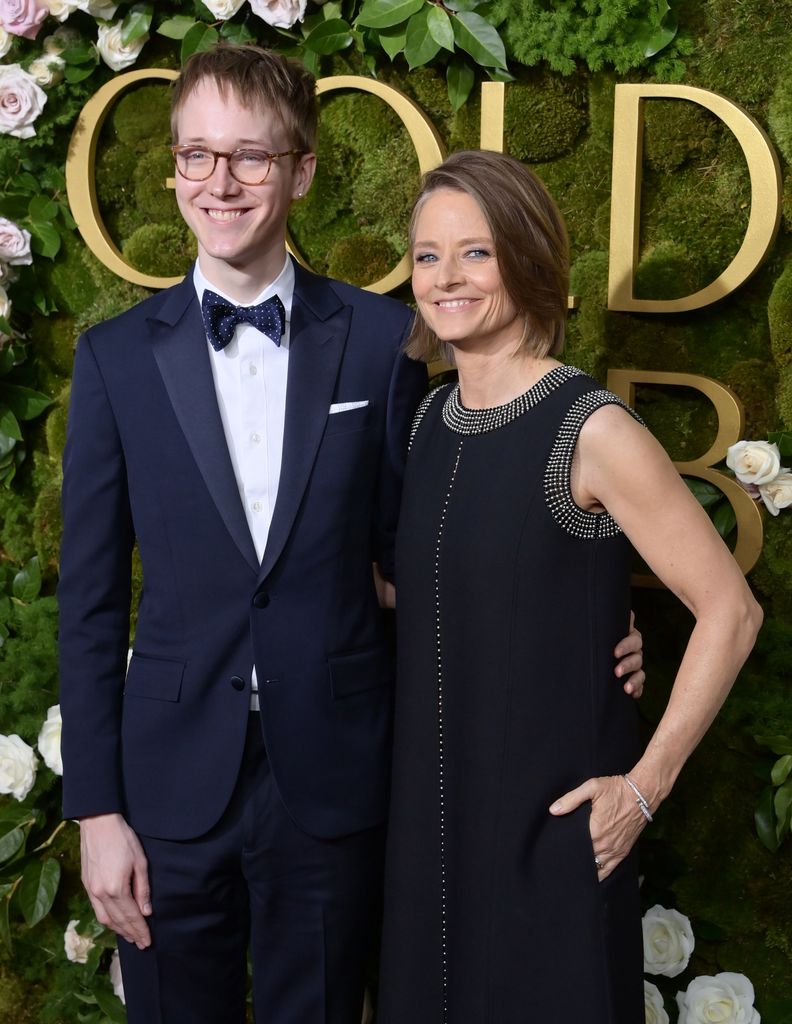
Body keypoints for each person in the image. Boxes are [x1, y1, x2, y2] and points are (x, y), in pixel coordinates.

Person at [58, 46, 644, 1024]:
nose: (221, 181)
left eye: (250, 156)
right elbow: (89, 603)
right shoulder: (115, 359)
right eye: (197, 154)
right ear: (172, 169)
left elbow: (427, 554)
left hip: (333, 783)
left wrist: (591, 629)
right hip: (164, 789)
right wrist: (96, 808)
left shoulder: (382, 340)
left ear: (302, 171)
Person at [377, 150, 763, 1024]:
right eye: (428, 255)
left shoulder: (590, 427)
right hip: (429, 837)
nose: (446, 278)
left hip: (548, 832)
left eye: (475, 252)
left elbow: (731, 612)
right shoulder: (430, 419)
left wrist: (641, 788)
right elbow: (452, 589)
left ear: (529, 257)